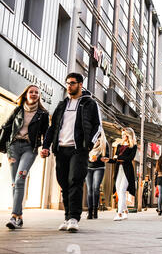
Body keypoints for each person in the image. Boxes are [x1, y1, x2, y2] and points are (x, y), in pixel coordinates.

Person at [41, 73, 101, 232]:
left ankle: (74, 218)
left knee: (75, 180)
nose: (69, 86)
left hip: (78, 149)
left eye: (72, 83)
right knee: (63, 183)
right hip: (61, 149)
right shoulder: (62, 105)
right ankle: (67, 217)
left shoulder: (90, 104)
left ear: (80, 84)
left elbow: (97, 126)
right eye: (67, 83)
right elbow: (52, 127)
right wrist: (46, 146)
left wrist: (89, 144)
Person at [0, 85, 49, 229]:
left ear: (39, 96)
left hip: (30, 148)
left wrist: (46, 148)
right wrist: (3, 146)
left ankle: (14, 216)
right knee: (15, 182)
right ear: (26, 94)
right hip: (13, 148)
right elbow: (6, 127)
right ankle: (19, 216)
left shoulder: (43, 114)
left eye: (36, 92)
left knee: (20, 178)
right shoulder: (18, 110)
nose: (33, 94)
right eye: (31, 92)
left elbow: (46, 133)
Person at [104, 128, 137, 221]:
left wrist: (119, 157)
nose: (122, 136)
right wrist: (108, 160)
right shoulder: (119, 145)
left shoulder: (133, 146)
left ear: (128, 135)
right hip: (119, 170)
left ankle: (119, 213)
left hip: (127, 171)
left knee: (122, 190)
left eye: (124, 135)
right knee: (118, 191)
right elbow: (115, 159)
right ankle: (126, 211)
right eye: (122, 134)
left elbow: (130, 158)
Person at [86, 130, 109, 219]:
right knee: (89, 189)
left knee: (95, 188)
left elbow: (106, 156)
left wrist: (98, 158)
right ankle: (89, 211)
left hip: (99, 168)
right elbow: (84, 153)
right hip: (88, 167)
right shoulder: (89, 141)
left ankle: (95, 211)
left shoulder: (105, 143)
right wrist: (89, 159)